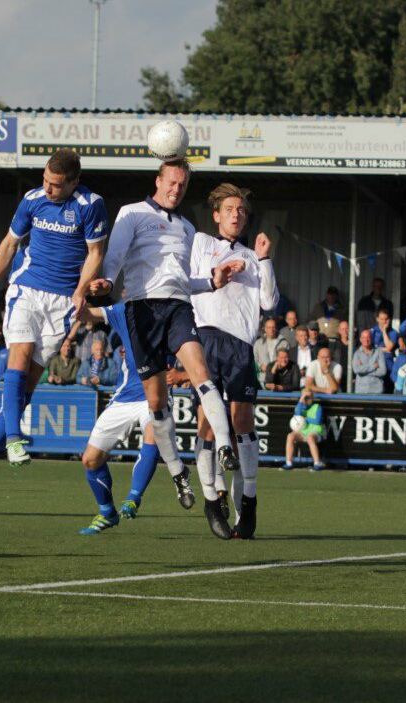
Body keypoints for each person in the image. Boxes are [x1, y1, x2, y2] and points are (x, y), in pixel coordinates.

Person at [88, 158, 242, 536]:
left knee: (200, 373)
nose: (177, 189)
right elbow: (114, 258)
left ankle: (224, 446)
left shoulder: (187, 227)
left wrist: (211, 281)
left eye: (183, 185)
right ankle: (178, 474)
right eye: (172, 182)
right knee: (156, 404)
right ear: (158, 181)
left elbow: (183, 280)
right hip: (141, 310)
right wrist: (104, 283)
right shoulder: (133, 213)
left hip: (177, 308)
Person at [0, 149, 108, 480]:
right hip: (26, 288)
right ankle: (14, 440)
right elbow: (8, 245)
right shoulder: (33, 199)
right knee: (20, 353)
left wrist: (79, 290)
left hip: (62, 303)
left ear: (74, 182)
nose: (48, 189)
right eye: (45, 181)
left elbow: (96, 253)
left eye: (57, 185)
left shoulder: (91, 205)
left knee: (28, 386)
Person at [187, 182, 277, 539]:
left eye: (241, 210)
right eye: (229, 210)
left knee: (241, 422)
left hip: (240, 345)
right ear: (216, 215)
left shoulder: (254, 258)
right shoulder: (201, 244)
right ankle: (212, 499)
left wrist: (265, 258)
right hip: (205, 338)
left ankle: (249, 505)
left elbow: (269, 302)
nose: (236, 215)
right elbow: (186, 280)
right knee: (207, 425)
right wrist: (216, 277)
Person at [72, 302, 196, 534]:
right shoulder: (123, 311)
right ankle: (107, 512)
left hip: (155, 395)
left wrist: (183, 373)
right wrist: (81, 295)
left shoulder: (172, 312)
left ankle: (133, 498)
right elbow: (86, 313)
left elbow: (200, 353)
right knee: (90, 459)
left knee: (153, 436)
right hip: (123, 397)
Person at [283, 389, 326, 471]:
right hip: (303, 432)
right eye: (305, 398)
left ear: (312, 398)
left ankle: (317, 463)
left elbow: (317, 421)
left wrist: (305, 419)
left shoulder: (317, 407)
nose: (307, 400)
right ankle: (289, 463)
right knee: (290, 436)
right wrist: (301, 400)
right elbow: (297, 416)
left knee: (310, 437)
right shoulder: (300, 407)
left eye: (308, 398)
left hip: (316, 432)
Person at [352, 328, 387, 394]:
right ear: (360, 339)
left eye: (368, 337)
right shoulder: (357, 354)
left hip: (377, 391)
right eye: (364, 337)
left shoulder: (379, 352)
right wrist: (373, 367)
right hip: (361, 391)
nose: (366, 339)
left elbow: (383, 371)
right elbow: (356, 370)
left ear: (371, 339)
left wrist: (363, 372)